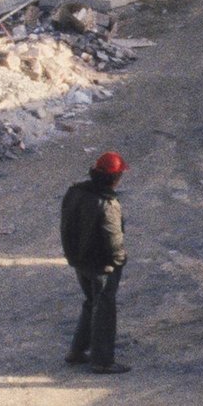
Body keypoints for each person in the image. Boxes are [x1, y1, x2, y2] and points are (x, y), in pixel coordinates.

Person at [60, 152, 130, 374]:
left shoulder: (75, 192)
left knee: (91, 301)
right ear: (114, 177)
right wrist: (119, 261)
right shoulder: (108, 204)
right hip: (102, 264)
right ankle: (102, 360)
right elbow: (114, 238)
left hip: (79, 260)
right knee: (104, 308)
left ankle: (78, 350)